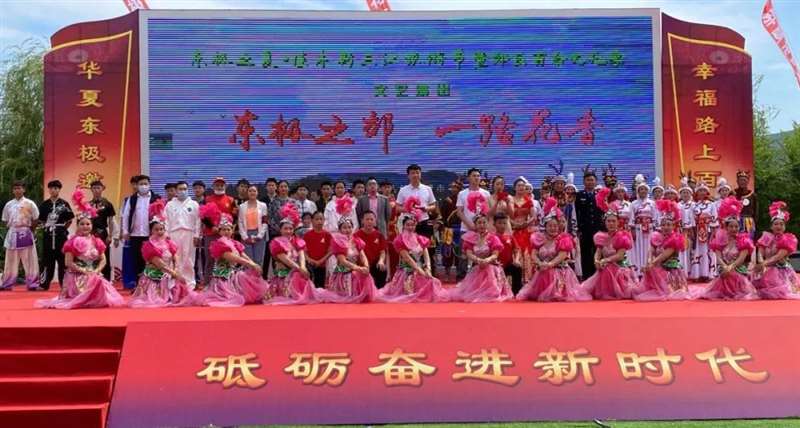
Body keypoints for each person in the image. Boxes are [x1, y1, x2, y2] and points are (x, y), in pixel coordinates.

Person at [35, 189, 125, 309]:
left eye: (88, 224)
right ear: (77, 225)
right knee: (86, 291)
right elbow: (68, 262)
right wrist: (84, 271)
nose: (85, 227)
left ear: (92, 225)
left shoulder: (96, 241)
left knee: (101, 286)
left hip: (93, 274)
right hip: (77, 276)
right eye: (82, 224)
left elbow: (103, 259)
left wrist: (96, 270)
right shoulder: (72, 242)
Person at [129, 200, 204, 308]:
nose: (159, 232)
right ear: (151, 231)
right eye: (156, 230)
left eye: (161, 229)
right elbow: (160, 265)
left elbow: (175, 256)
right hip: (157, 276)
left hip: (169, 274)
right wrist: (175, 274)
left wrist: (177, 269)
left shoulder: (169, 242)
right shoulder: (150, 246)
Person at [516, 198, 590, 302]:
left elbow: (562, 255)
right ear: (545, 227)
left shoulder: (563, 239)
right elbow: (533, 254)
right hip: (543, 270)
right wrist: (540, 263)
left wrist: (550, 264)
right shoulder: (539, 238)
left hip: (560, 271)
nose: (553, 228)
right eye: (550, 226)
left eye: (555, 226)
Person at [375, 214, 449, 303]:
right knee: (409, 293)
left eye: (412, 225)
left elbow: (426, 255)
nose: (410, 227)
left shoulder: (420, 239)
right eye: (408, 225)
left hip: (420, 269)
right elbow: (408, 259)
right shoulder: (400, 240)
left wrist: (428, 268)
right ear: (403, 226)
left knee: (431, 284)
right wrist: (420, 271)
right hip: (406, 271)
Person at [581, 188, 637, 300]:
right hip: (605, 267)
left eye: (613, 221)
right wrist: (596, 261)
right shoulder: (601, 237)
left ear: (618, 222)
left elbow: (619, 256)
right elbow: (598, 252)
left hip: (619, 268)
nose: (611, 224)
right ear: (605, 223)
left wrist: (605, 260)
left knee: (610, 268)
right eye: (608, 221)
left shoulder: (622, 236)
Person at [632, 200, 694, 301]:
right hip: (657, 267)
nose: (666, 227)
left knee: (655, 272)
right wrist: (648, 262)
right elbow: (650, 251)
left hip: (670, 271)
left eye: (668, 225)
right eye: (663, 225)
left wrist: (651, 264)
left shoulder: (675, 239)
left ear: (673, 226)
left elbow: (663, 256)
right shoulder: (656, 236)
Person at [203, 213, 268, 307]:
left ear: (232, 231)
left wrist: (253, 264)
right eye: (224, 230)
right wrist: (251, 264)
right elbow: (234, 258)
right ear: (219, 232)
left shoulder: (235, 243)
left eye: (228, 229)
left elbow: (243, 255)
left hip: (233, 275)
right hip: (223, 278)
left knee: (245, 276)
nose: (226, 232)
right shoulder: (218, 244)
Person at [699, 197, 759, 300]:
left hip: (737, 270)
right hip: (724, 270)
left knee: (733, 276)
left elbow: (741, 259)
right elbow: (718, 256)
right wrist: (724, 266)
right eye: (731, 226)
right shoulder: (721, 239)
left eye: (736, 226)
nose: (734, 229)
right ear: (726, 227)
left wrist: (730, 267)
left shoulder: (744, 240)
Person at [448, 211, 514, 303]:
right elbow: (469, 253)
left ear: (487, 224)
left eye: (484, 222)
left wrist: (487, 260)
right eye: (479, 223)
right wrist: (478, 260)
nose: (482, 225)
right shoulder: (470, 238)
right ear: (475, 225)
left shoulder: (493, 238)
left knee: (493, 293)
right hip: (477, 267)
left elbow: (495, 254)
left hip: (491, 267)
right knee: (470, 293)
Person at [264, 203, 319, 305]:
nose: (288, 231)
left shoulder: (297, 241)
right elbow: (286, 260)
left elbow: (301, 255)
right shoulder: (276, 243)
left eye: (290, 229)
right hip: (284, 276)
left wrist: (303, 267)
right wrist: (300, 269)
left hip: (297, 273)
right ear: (280, 230)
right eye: (285, 229)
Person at [320, 217, 378, 303]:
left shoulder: (357, 240)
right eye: (344, 228)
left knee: (365, 274)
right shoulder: (338, 242)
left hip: (355, 271)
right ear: (340, 230)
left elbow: (363, 256)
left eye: (349, 227)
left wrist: (366, 266)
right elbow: (343, 261)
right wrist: (359, 268)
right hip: (343, 273)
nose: (347, 230)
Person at [752, 201, 799, 299]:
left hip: (780, 271)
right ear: (771, 226)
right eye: (776, 224)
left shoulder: (787, 239)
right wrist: (760, 262)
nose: (778, 226)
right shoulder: (766, 237)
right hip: (766, 269)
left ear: (784, 227)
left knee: (779, 292)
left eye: (781, 224)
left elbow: (778, 257)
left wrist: (763, 264)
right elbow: (760, 253)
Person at [121, 175, 161, 290]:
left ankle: (153, 286)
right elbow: (126, 215)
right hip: (135, 235)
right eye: (141, 184)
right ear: (137, 186)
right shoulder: (132, 199)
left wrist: (160, 232)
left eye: (145, 184)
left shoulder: (156, 198)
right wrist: (125, 231)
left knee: (152, 261)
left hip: (151, 235)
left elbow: (161, 215)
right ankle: (139, 286)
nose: (143, 186)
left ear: (149, 185)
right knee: (137, 261)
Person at [1, 181, 39, 290]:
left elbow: (36, 218)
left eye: (19, 188)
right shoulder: (9, 204)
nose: (17, 190)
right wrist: (12, 228)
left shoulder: (30, 203)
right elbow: (5, 220)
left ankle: (32, 283)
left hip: (25, 231)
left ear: (24, 189)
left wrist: (30, 230)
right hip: (13, 232)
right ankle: (7, 283)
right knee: (10, 260)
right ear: (13, 191)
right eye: (15, 188)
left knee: (30, 259)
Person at [38, 180, 74, 290]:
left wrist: (61, 229)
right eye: (51, 188)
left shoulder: (64, 204)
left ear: (59, 190)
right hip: (48, 235)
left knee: (62, 260)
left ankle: (64, 284)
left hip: (60, 236)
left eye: (56, 188)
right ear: (48, 190)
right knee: (47, 260)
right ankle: (44, 284)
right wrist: (47, 227)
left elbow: (69, 220)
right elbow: (41, 220)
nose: (53, 190)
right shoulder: (44, 204)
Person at [456, 168, 491, 279]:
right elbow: (459, 212)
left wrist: (483, 226)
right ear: (469, 178)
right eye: (474, 176)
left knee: (481, 253)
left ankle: (480, 279)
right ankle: (461, 278)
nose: (476, 178)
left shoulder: (486, 193)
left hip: (482, 230)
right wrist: (470, 225)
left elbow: (488, 212)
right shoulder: (462, 193)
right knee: (464, 255)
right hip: (466, 229)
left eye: (478, 176)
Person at [396, 164, 438, 259]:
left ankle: (427, 267)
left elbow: (434, 206)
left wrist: (426, 208)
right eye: (412, 173)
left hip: (424, 223)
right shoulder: (403, 190)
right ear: (408, 176)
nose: (415, 175)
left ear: (420, 174)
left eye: (417, 173)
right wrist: (408, 209)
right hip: (409, 225)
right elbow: (397, 207)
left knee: (426, 249)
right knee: (409, 249)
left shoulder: (427, 189)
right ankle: (411, 267)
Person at [165, 181, 201, 288]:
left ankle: (190, 283)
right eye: (180, 189)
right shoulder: (170, 204)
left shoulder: (194, 204)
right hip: (174, 233)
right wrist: (166, 235)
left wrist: (197, 235)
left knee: (189, 258)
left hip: (189, 233)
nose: (183, 191)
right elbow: (166, 220)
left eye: (185, 189)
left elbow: (198, 220)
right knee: (175, 258)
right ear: (176, 191)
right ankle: (174, 282)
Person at [202, 177, 237, 282]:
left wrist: (230, 229)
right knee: (210, 259)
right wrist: (212, 227)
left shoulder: (231, 200)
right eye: (217, 185)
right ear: (213, 186)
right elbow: (203, 216)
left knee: (226, 259)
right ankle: (208, 282)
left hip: (226, 235)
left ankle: (225, 282)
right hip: (211, 233)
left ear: (225, 186)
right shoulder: (207, 199)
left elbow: (234, 216)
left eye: (221, 185)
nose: (219, 187)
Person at [574, 165, 604, 279]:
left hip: (597, 229)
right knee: (585, 253)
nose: (590, 182)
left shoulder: (600, 195)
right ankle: (587, 277)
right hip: (584, 230)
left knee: (598, 252)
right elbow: (576, 213)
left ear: (596, 182)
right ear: (584, 182)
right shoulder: (579, 195)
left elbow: (603, 212)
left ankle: (598, 277)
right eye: (588, 180)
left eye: (592, 180)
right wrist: (578, 229)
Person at [510, 177, 540, 282]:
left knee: (527, 252)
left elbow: (533, 216)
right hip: (513, 229)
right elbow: (506, 215)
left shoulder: (529, 201)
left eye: (523, 186)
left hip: (526, 229)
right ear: (514, 188)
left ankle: (527, 278)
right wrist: (514, 224)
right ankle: (514, 279)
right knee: (514, 251)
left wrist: (526, 223)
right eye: (519, 186)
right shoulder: (510, 200)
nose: (521, 188)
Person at [629, 175, 657, 278]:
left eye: (645, 189)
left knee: (649, 248)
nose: (643, 191)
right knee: (638, 248)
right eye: (641, 189)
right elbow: (631, 218)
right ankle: (639, 271)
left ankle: (649, 268)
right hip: (638, 229)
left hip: (650, 228)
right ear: (638, 191)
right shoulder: (633, 204)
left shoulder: (652, 203)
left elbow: (655, 217)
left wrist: (655, 229)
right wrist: (632, 230)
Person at [89, 180, 116, 281]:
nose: (96, 190)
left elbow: (111, 221)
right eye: (94, 188)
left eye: (98, 188)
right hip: (91, 234)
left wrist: (110, 235)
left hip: (103, 233)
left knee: (104, 256)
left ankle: (106, 280)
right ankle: (92, 279)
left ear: (102, 189)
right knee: (91, 256)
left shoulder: (107, 204)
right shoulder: (88, 204)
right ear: (91, 190)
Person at [237, 185, 268, 272]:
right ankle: (248, 279)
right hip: (246, 235)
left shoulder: (263, 205)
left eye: (254, 191)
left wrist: (260, 236)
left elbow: (265, 222)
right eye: (250, 191)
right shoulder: (242, 206)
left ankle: (258, 279)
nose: (252, 193)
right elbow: (240, 222)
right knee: (248, 260)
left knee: (259, 260)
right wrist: (244, 237)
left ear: (257, 193)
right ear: (247, 193)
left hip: (259, 234)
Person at [354, 211, 388, 288]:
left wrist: (381, 261)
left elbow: (382, 252)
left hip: (375, 264)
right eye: (367, 219)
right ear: (362, 221)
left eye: (371, 219)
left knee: (382, 269)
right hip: (361, 265)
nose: (369, 221)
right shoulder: (356, 235)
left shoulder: (379, 235)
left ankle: (379, 291)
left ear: (375, 221)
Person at [691, 183, 717, 282]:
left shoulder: (711, 204)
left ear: (707, 192)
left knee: (708, 251)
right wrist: (693, 232)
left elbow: (714, 218)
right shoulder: (694, 205)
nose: (702, 192)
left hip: (708, 229)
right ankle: (698, 274)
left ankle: (709, 274)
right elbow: (692, 220)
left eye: (704, 190)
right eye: (700, 191)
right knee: (698, 251)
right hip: (698, 230)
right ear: (697, 193)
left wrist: (713, 232)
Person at [438, 179, 463, 282]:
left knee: (459, 252)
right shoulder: (447, 200)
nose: (454, 189)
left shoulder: (464, 200)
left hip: (461, 229)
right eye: (452, 187)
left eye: (456, 187)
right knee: (447, 252)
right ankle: (447, 273)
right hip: (448, 229)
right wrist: (442, 227)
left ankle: (459, 273)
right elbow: (441, 216)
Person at [119, 176, 140, 289]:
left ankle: (142, 282)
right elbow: (123, 217)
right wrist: (122, 232)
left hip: (143, 234)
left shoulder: (149, 199)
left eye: (138, 184)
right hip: (130, 234)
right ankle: (129, 282)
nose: (136, 186)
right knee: (129, 258)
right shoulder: (127, 200)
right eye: (134, 184)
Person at [494, 213, 523, 294]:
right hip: (495, 266)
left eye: (504, 223)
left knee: (517, 268)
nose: (502, 225)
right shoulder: (491, 237)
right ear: (494, 224)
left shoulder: (510, 237)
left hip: (507, 266)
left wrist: (516, 260)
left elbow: (517, 250)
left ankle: (516, 292)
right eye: (499, 223)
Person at [303, 211, 332, 289]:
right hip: (310, 265)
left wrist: (321, 261)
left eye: (321, 219)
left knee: (320, 287)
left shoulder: (327, 235)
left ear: (324, 220)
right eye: (317, 219)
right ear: (312, 221)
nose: (319, 221)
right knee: (310, 286)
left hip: (322, 265)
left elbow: (331, 251)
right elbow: (303, 251)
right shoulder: (307, 235)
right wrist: (309, 259)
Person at [677, 178, 696, 278]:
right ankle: (682, 271)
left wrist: (692, 230)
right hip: (680, 231)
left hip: (690, 231)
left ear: (690, 194)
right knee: (681, 251)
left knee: (690, 250)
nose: (685, 194)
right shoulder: (677, 205)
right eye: (683, 193)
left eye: (687, 193)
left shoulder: (694, 205)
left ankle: (690, 271)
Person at [192, 180, 206, 285]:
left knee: (205, 256)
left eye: (200, 188)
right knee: (194, 256)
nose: (197, 190)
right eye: (195, 188)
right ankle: (195, 277)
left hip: (206, 233)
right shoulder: (190, 203)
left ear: (203, 189)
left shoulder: (207, 202)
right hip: (193, 233)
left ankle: (205, 277)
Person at [734, 170, 757, 238]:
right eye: (740, 180)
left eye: (744, 180)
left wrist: (754, 221)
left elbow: (756, 210)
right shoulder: (733, 193)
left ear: (748, 181)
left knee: (748, 240)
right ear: (737, 181)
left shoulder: (752, 195)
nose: (742, 182)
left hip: (748, 221)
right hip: (735, 221)